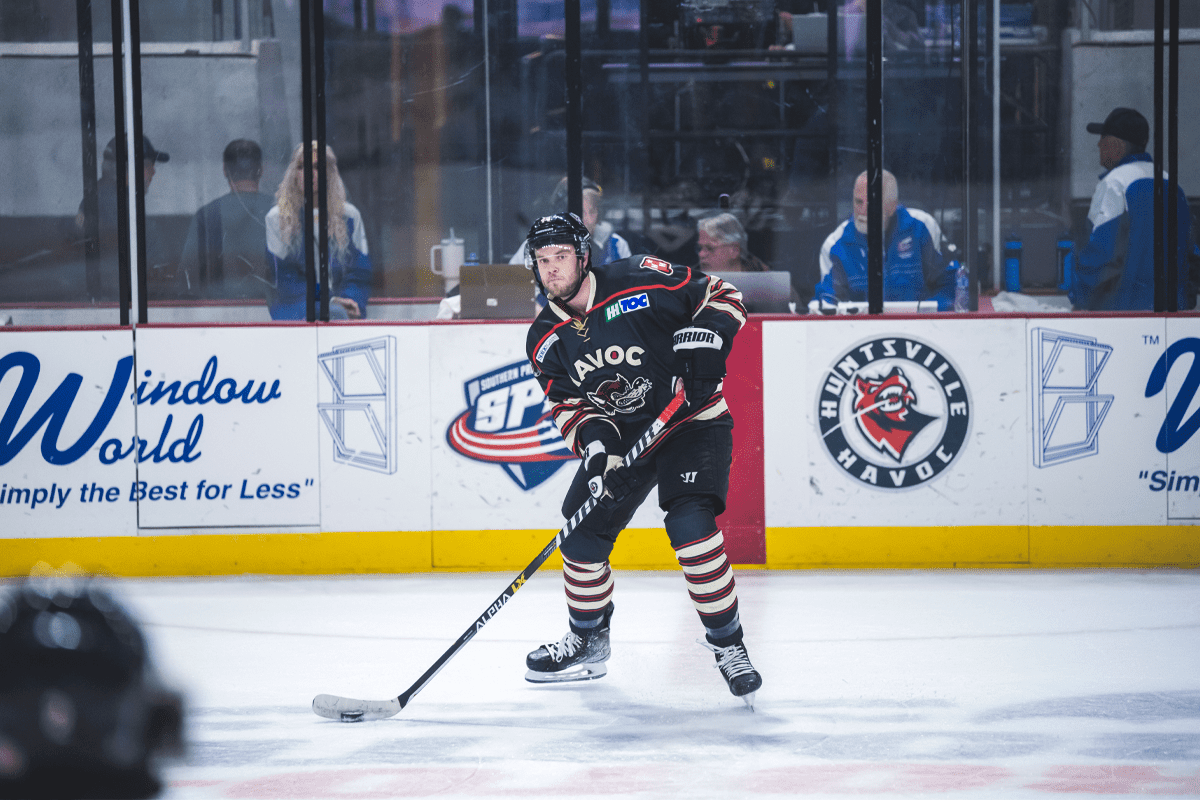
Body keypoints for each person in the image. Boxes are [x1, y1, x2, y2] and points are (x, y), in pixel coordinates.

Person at [521, 213, 763, 707]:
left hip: (690, 420)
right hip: (628, 438)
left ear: (583, 256)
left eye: (561, 257)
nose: (552, 269)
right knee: (580, 532)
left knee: (690, 525)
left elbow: (723, 295)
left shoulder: (638, 277)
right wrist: (599, 453)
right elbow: (571, 406)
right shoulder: (544, 338)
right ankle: (588, 640)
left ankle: (728, 644)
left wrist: (708, 341)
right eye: (543, 261)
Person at [1070, 107, 1195, 311]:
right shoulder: (1172, 185)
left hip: (1125, 315)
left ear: (1117, 145)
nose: (1099, 145)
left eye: (1103, 139)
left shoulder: (1115, 183)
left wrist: (1080, 301)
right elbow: (1190, 255)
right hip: (1171, 315)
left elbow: (1100, 256)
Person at [811, 169, 953, 311]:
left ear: (892, 206)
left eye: (871, 203)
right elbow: (827, 303)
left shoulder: (921, 228)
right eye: (858, 202)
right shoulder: (836, 244)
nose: (863, 211)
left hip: (922, 323)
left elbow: (951, 285)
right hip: (863, 325)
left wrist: (924, 314)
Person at [264, 142, 372, 320]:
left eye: (316, 167)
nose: (309, 173)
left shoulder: (350, 215)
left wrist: (351, 300)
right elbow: (284, 278)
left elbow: (359, 271)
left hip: (343, 312)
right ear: (293, 173)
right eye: (301, 167)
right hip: (295, 313)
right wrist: (331, 301)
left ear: (329, 173)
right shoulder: (277, 218)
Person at [177, 139, 276, 299]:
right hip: (276, 308)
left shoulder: (207, 215)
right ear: (261, 170)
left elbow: (187, 276)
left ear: (224, 170)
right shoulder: (283, 212)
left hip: (219, 308)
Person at [75, 135, 170, 300]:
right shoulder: (117, 206)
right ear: (128, 168)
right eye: (148, 165)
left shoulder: (94, 198)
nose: (154, 172)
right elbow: (154, 276)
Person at [696, 212, 770, 273]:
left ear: (734, 250)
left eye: (710, 248)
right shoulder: (692, 280)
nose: (701, 254)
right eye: (699, 248)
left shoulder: (765, 282)